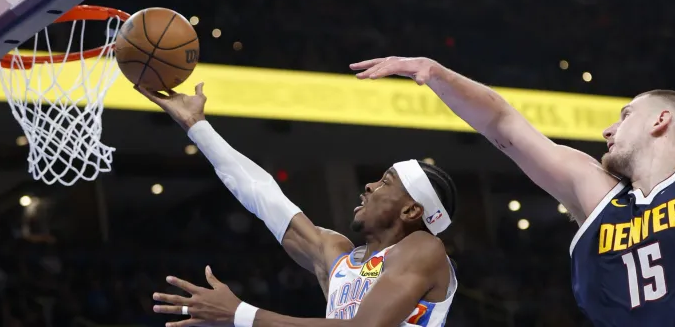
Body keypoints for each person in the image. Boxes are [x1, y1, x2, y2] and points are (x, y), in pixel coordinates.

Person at [350, 49, 675, 326]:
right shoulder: (596, 196)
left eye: (624, 115)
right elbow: (504, 125)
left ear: (661, 121)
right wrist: (438, 74)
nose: (608, 129)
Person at [135, 83, 458, 327]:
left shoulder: (425, 248)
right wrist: (197, 126)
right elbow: (264, 196)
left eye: (386, 182)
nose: (369, 185)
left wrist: (240, 313)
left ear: (411, 211)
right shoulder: (340, 256)